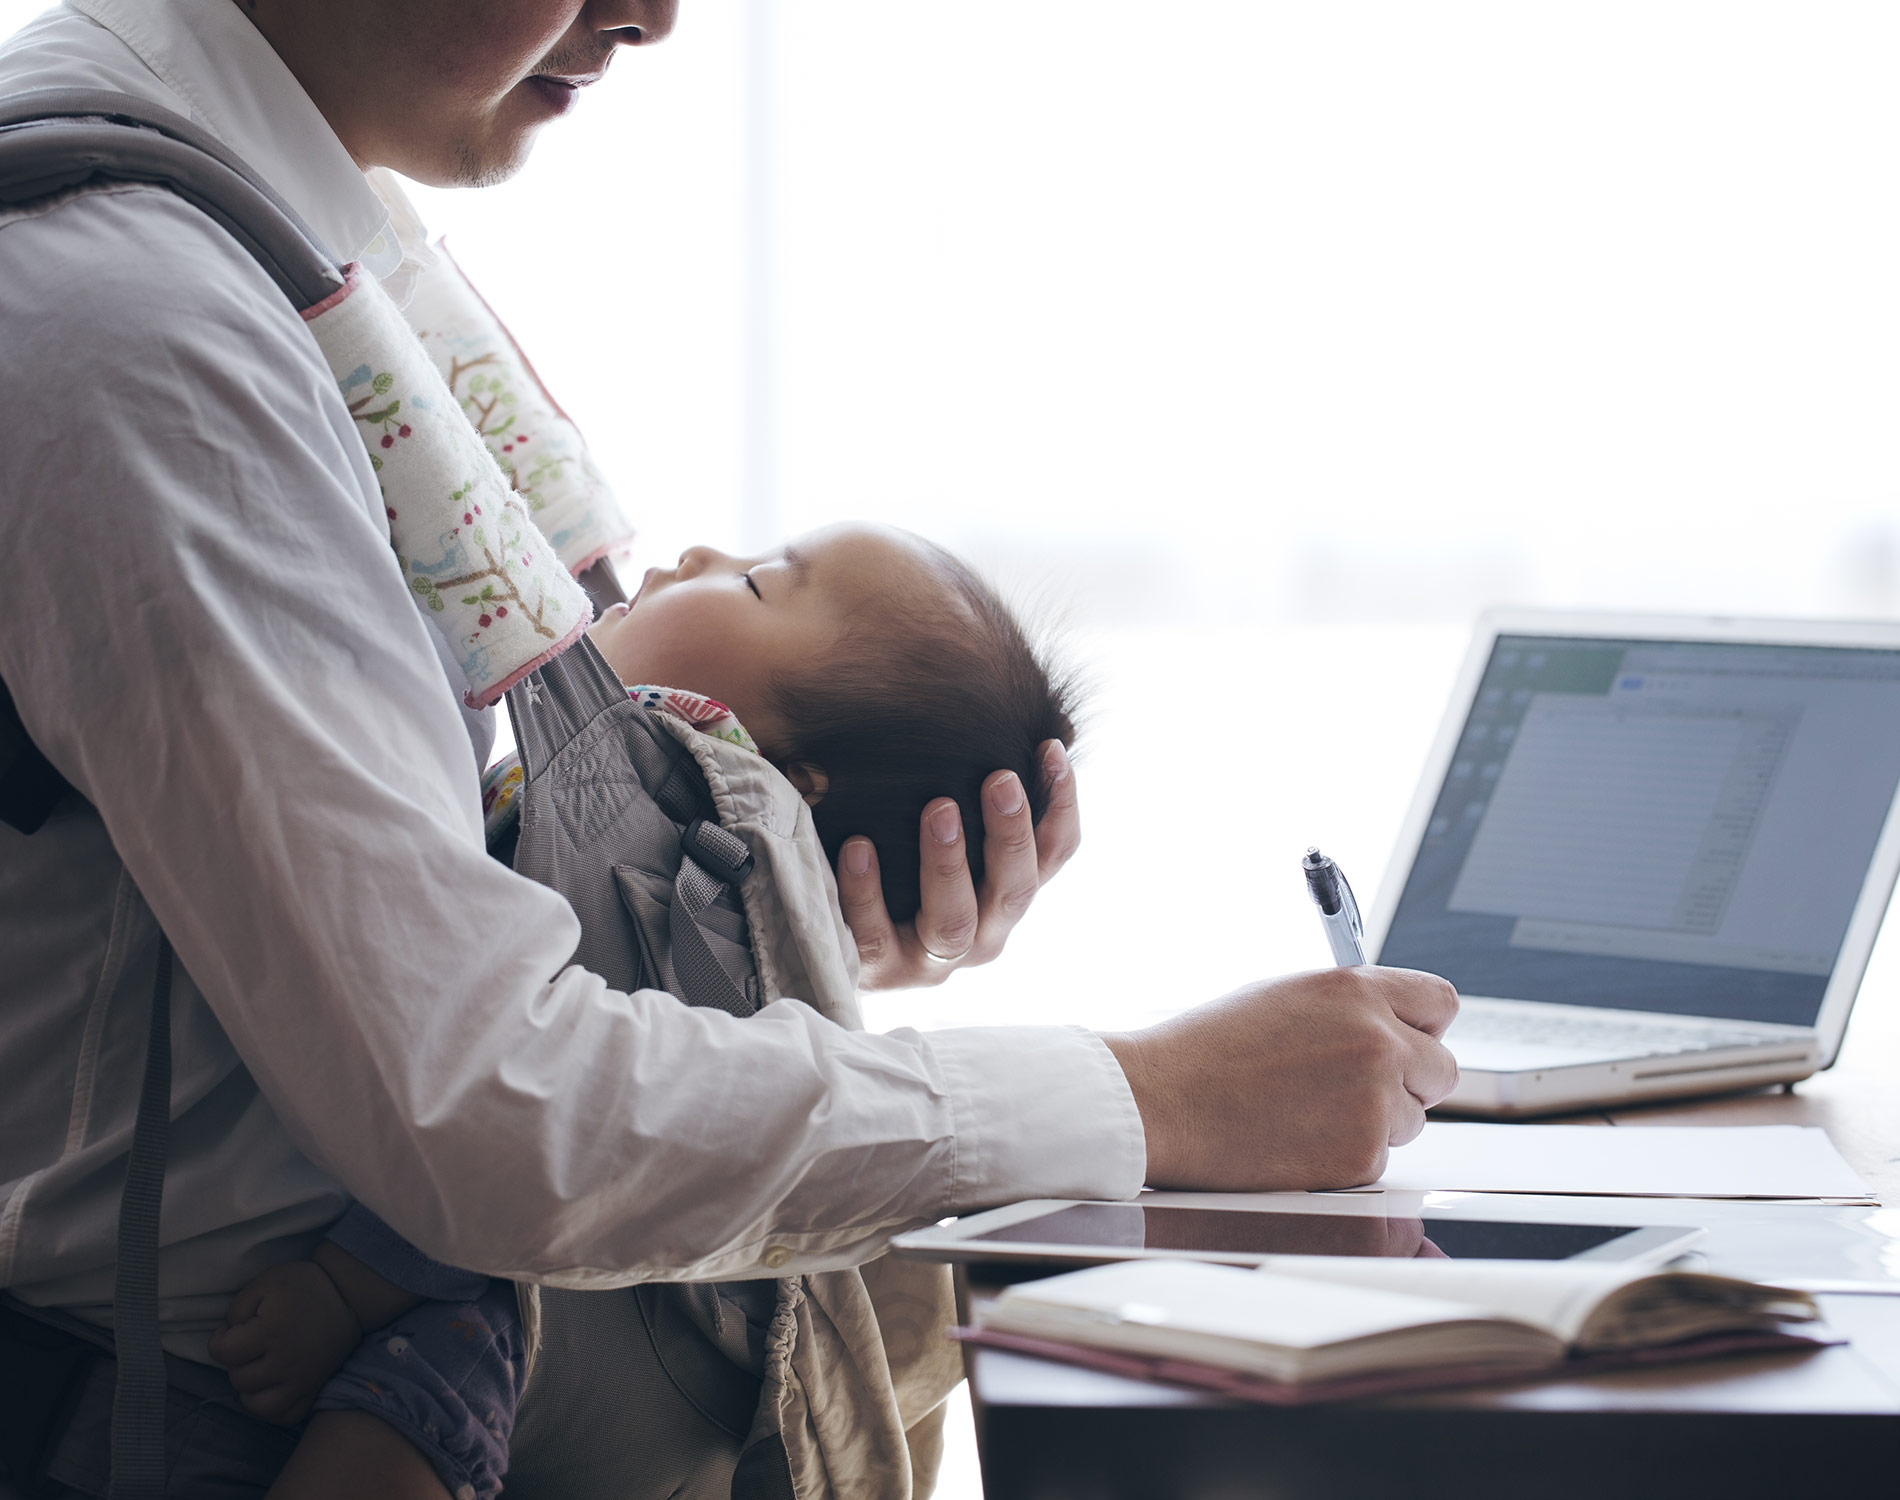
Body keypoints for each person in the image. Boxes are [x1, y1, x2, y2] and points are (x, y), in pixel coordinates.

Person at [0, 1, 1458, 1492]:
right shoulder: (150, 325)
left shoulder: (286, 221)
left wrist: (759, 941)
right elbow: (483, 1113)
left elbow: (357, 927)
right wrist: (1149, 1099)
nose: (654, 14)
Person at [210, 521, 1082, 1499]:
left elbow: (519, 1092)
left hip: (511, 1297)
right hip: (510, 1233)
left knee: (413, 1406)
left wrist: (345, 1285)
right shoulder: (614, 805)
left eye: (760, 585)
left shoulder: (691, 865)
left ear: (789, 779)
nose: (697, 556)